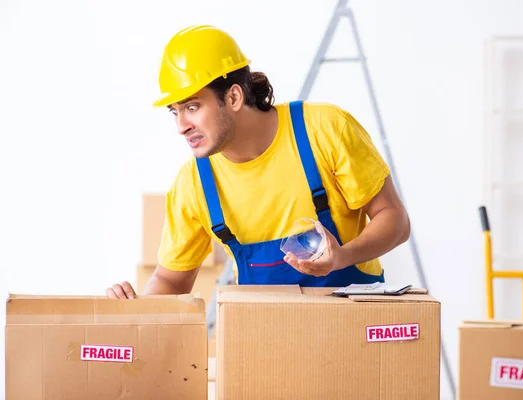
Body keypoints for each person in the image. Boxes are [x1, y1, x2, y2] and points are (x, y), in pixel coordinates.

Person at [106, 25, 410, 299]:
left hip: (351, 323)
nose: (181, 125)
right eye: (175, 111)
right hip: (263, 336)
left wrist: (341, 256)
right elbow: (171, 281)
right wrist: (134, 309)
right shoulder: (194, 183)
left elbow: (394, 219)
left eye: (193, 106)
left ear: (234, 97)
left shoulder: (324, 129)